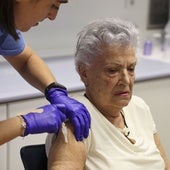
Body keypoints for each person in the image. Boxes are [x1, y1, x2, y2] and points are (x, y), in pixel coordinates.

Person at [45, 18, 170, 170]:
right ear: (84, 73)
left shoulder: (139, 107)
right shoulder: (76, 119)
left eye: (131, 69)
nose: (126, 80)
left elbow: (164, 165)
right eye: (112, 70)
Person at [0, 0, 90, 145]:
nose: (52, 16)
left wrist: (54, 90)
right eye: (53, 5)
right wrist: (23, 123)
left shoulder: (4, 27)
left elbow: (25, 60)